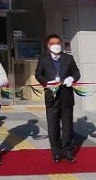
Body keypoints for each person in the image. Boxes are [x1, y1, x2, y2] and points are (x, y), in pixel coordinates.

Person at [34, 34, 81, 163]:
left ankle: (68, 151)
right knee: (53, 126)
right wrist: (47, 83)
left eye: (58, 43)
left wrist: (72, 78)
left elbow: (76, 72)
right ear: (48, 45)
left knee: (68, 126)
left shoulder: (68, 58)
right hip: (51, 97)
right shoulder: (43, 59)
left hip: (66, 96)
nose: (56, 45)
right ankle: (56, 153)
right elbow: (38, 74)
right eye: (53, 43)